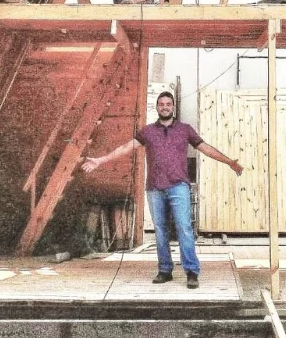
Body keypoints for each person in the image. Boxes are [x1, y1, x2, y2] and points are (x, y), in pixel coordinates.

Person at [82, 91, 243, 288]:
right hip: (154, 188)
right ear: (157, 107)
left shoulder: (185, 130)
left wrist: (229, 162)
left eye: (168, 104)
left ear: (172, 107)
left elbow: (205, 147)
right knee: (160, 231)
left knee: (184, 228)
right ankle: (165, 270)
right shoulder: (147, 131)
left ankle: (192, 272)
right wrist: (100, 160)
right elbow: (125, 147)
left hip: (178, 186)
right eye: (161, 104)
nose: (165, 107)